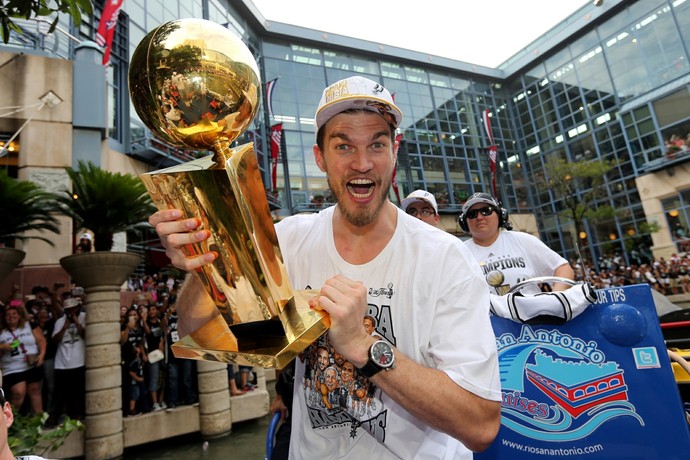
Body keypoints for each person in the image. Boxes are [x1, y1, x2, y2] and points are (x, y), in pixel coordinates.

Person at [149, 75, 501, 459]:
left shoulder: (446, 257)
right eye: (343, 145)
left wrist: (364, 347)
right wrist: (206, 262)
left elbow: (480, 425)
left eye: (377, 144)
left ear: (394, 153)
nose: (362, 163)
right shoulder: (288, 242)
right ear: (320, 158)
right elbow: (194, 330)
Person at [460, 192, 575, 295]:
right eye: (472, 214)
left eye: (486, 211)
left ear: (500, 215)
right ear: (465, 222)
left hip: (532, 316)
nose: (479, 217)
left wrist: (555, 298)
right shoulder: (459, 252)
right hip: (487, 318)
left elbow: (563, 268)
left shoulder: (523, 240)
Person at [0, 305, 46, 414]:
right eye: (8, 315)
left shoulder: (29, 325)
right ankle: (9, 421)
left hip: (31, 363)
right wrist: (2, 347)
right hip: (12, 367)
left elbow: (41, 340)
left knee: (35, 391)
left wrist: (42, 354)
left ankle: (39, 422)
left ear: (20, 315)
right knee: (18, 393)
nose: (11, 316)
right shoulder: (1, 331)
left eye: (14, 314)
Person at [50, 297, 85, 423]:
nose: (71, 312)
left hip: (79, 361)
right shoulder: (59, 322)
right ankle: (58, 416)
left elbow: (86, 335)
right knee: (60, 393)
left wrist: (76, 322)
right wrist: (65, 327)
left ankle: (77, 415)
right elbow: (54, 340)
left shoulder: (84, 317)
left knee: (78, 392)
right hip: (62, 363)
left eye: (73, 309)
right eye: (68, 310)